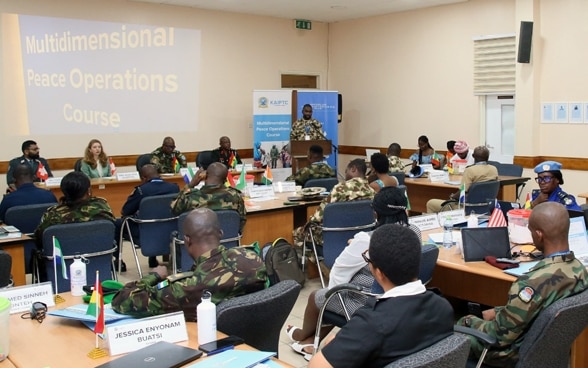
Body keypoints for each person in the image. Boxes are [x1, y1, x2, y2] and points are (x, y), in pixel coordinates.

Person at [286, 187, 422, 360]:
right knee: (334, 294)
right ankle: (309, 341)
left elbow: (338, 273)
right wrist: (357, 244)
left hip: (369, 302)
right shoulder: (414, 231)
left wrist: (331, 297)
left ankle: (301, 335)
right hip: (402, 298)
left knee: (317, 297)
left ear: (376, 213)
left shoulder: (368, 239)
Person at [456, 202, 588, 367]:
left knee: (457, 328)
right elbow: (539, 308)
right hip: (547, 350)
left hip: (512, 354)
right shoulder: (580, 270)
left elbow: (499, 336)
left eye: (531, 231)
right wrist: (498, 312)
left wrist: (469, 321)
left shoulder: (531, 283)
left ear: (539, 235)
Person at [308, 224, 454, 367]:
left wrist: (339, 342)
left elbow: (316, 366)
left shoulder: (370, 323)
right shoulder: (443, 307)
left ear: (379, 272)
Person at [111, 208, 267, 321]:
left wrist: (154, 276)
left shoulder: (187, 287)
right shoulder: (253, 258)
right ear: (220, 234)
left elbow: (122, 301)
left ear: (187, 240)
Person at [34, 172, 114, 281]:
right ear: (88, 191)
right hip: (99, 263)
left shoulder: (53, 214)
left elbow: (39, 240)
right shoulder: (101, 206)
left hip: (60, 271)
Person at [293, 158, 375, 248]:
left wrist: (306, 227)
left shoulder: (340, 189)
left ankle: (312, 260)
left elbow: (317, 218)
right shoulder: (372, 191)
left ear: (353, 169)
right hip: (360, 238)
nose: (345, 175)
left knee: (297, 233)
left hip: (334, 238)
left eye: (346, 171)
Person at [115, 164, 180, 270]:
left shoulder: (141, 190)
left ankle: (119, 262)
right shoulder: (174, 188)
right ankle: (152, 259)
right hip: (171, 231)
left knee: (117, 224)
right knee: (154, 220)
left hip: (145, 234)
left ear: (144, 178)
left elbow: (125, 211)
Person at [171, 162, 246, 233]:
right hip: (228, 242)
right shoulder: (236, 196)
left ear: (205, 175)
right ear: (225, 179)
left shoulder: (191, 197)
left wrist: (190, 185)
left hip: (197, 242)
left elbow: (173, 209)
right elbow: (241, 221)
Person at [426, 145, 498, 213]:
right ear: (488, 157)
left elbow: (462, 192)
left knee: (431, 203)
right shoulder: (494, 169)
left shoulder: (470, 170)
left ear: (473, 156)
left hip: (466, 208)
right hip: (486, 207)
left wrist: (452, 196)